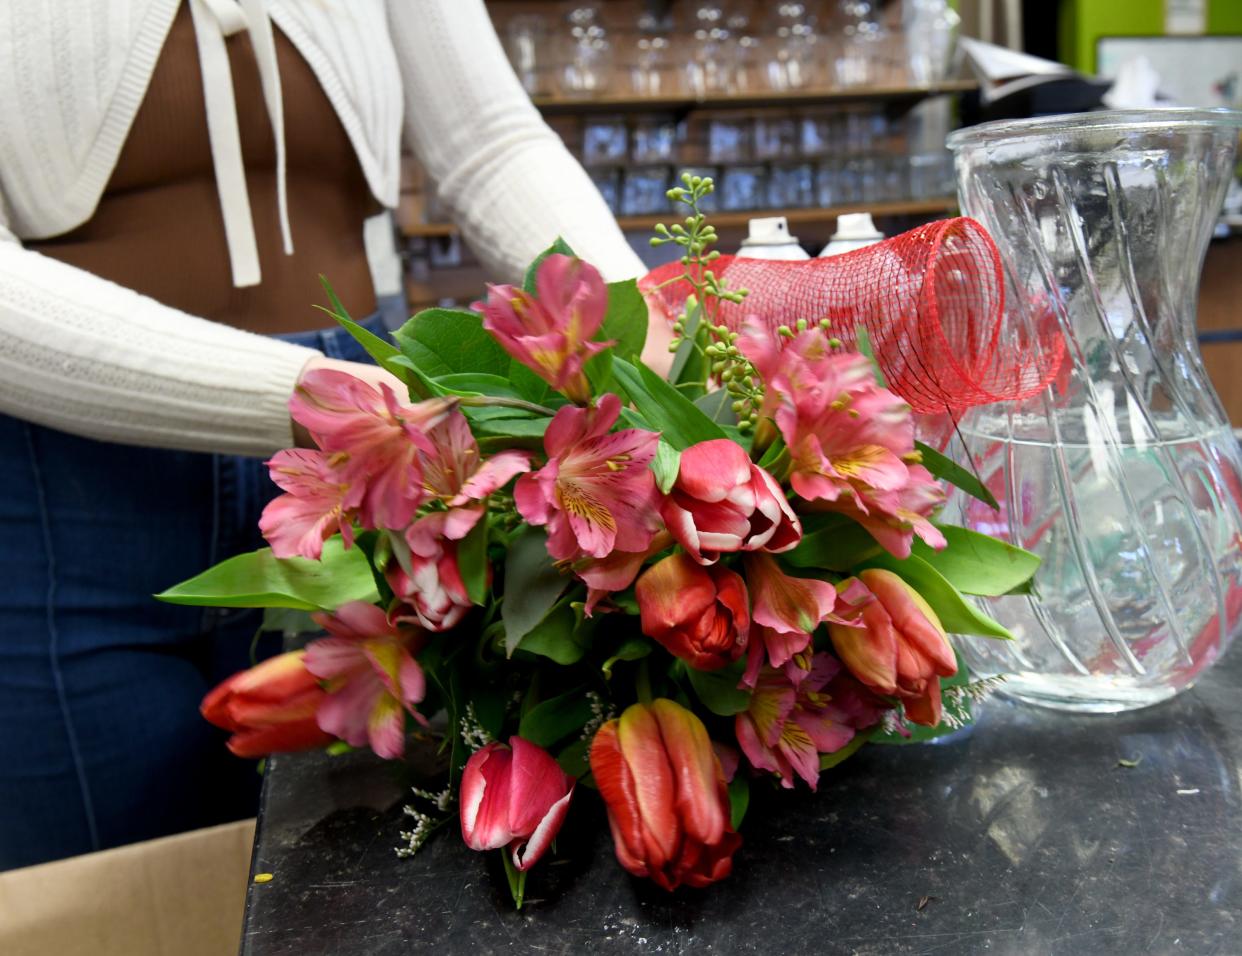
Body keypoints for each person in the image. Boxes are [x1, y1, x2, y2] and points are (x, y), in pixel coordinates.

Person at [0, 0, 650, 870]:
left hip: (367, 465)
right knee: (120, 893)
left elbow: (491, 141)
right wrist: (309, 400)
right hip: (74, 489)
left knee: (367, 888)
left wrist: (653, 334)